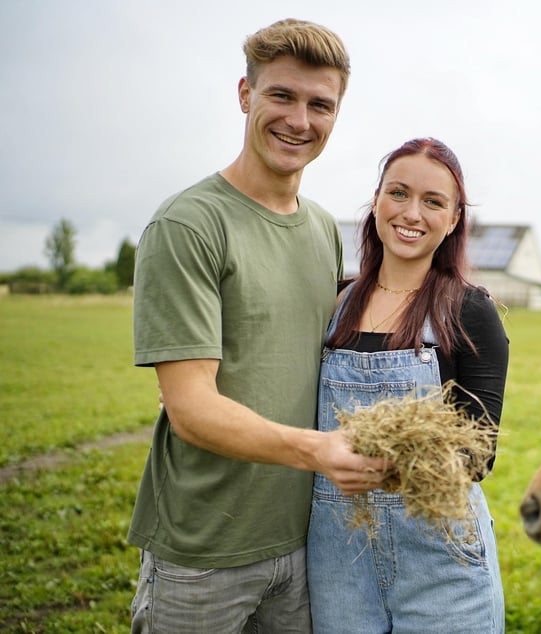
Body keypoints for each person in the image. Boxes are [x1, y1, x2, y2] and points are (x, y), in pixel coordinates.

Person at [128, 19, 390, 634]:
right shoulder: (189, 225)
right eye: (282, 96)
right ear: (245, 95)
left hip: (306, 543)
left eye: (320, 104)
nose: (299, 120)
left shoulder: (323, 228)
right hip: (204, 551)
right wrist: (320, 451)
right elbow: (191, 408)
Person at [306, 138, 509, 633]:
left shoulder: (469, 311)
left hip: (441, 558)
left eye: (433, 201)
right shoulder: (334, 305)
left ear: (454, 219)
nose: (411, 213)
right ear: (377, 201)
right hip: (339, 558)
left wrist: (386, 464)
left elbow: (478, 456)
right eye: (398, 193)